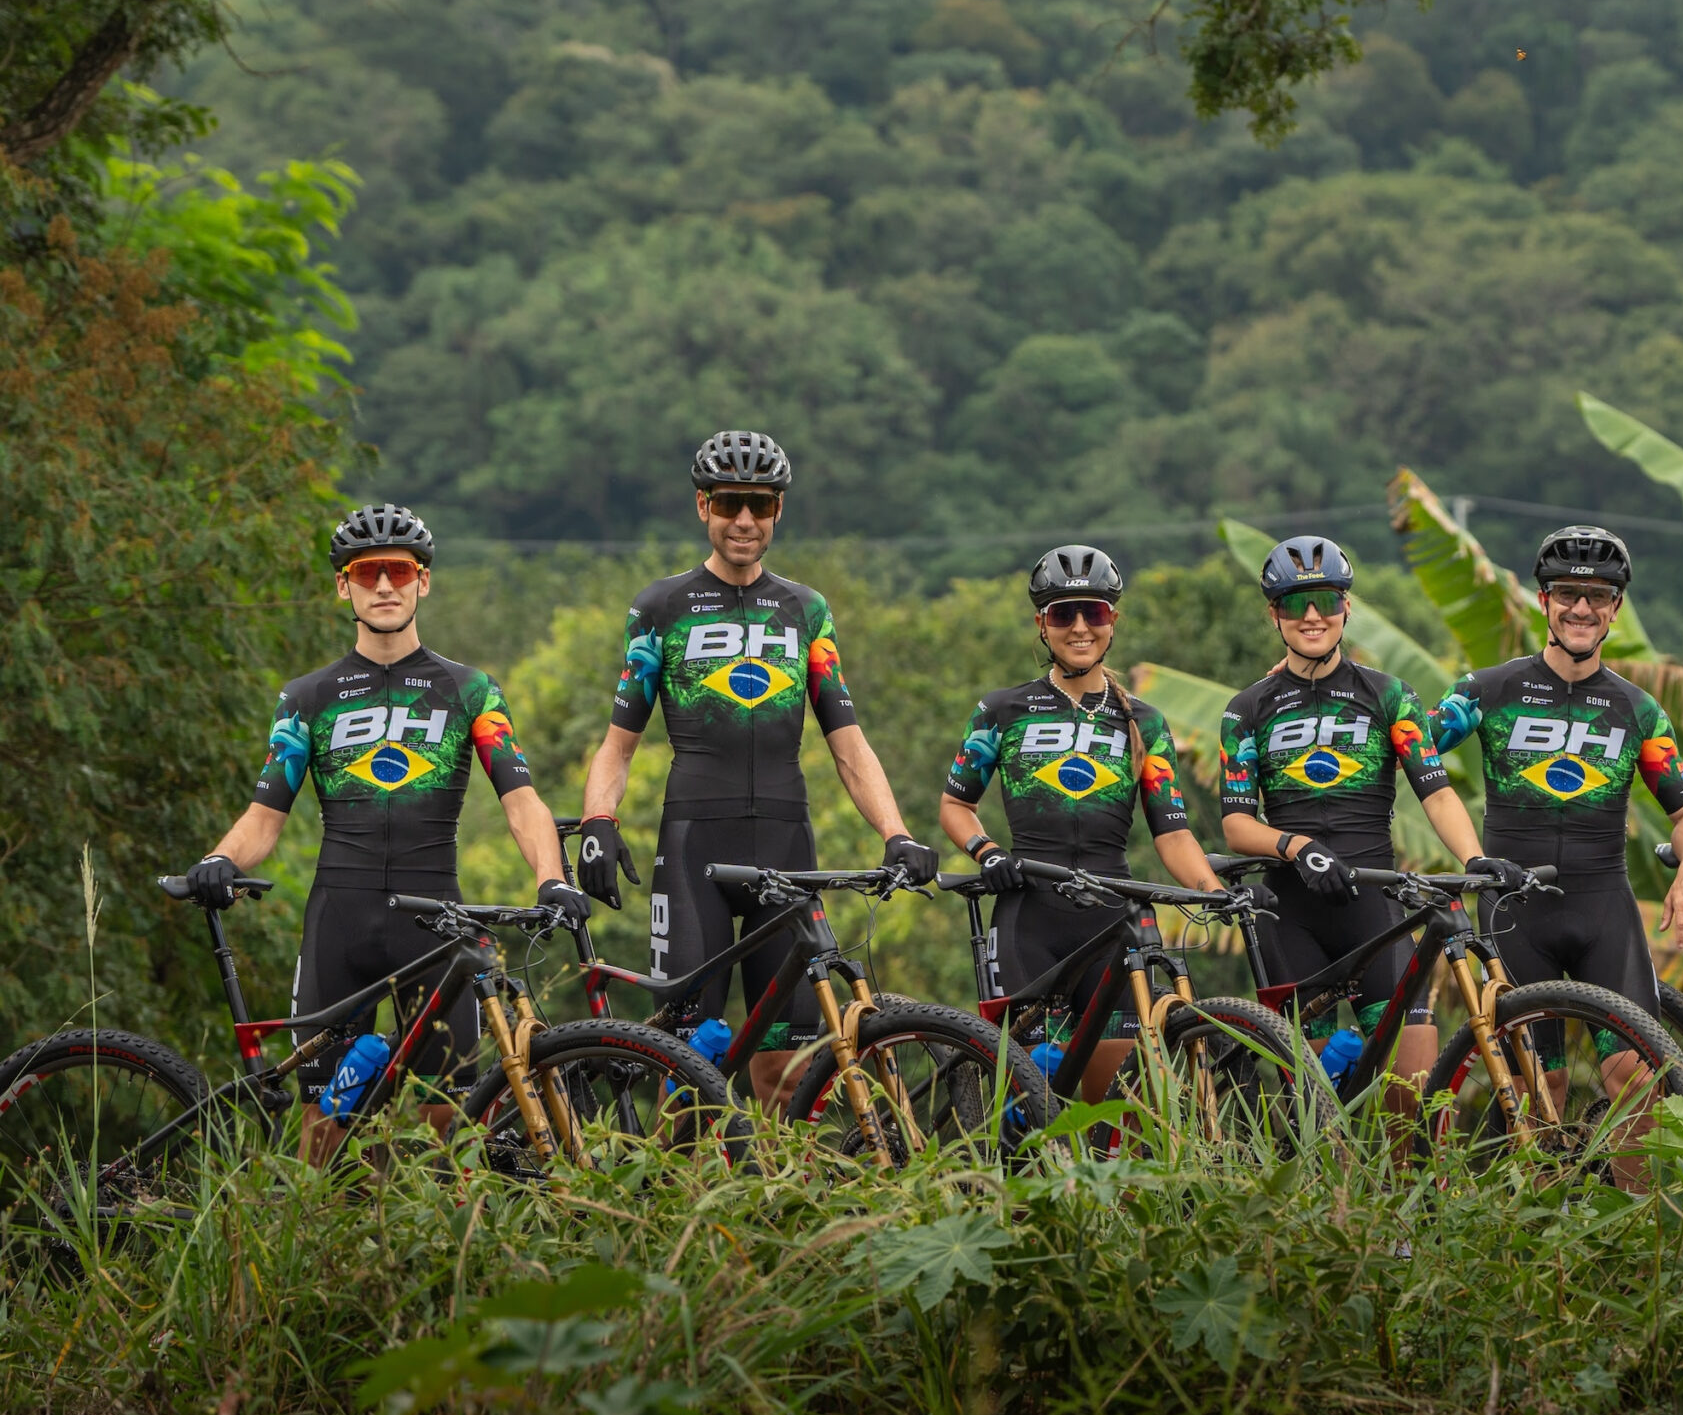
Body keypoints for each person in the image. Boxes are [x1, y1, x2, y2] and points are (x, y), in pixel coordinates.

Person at [185, 504, 585, 1162]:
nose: (384, 585)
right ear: (344, 585)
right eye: (366, 572)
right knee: (324, 1130)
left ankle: (407, 1262)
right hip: (340, 921)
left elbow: (522, 801)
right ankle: (331, 1256)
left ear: (422, 580)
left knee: (439, 1131)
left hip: (435, 925)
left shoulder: (470, 691)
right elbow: (264, 816)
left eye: (398, 571)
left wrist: (552, 878)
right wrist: (220, 859)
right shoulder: (307, 698)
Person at [575, 431, 937, 1113]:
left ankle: (782, 1212)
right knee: (689, 1068)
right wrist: (599, 819)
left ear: (777, 511)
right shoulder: (662, 608)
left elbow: (849, 743)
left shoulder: (806, 609)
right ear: (703, 506)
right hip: (693, 856)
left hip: (785, 848)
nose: (745, 520)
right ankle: (678, 1213)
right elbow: (618, 745)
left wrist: (896, 832)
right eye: (731, 503)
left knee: (787, 1069)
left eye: (761, 505)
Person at [1218, 536, 1519, 1112]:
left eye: (1326, 601)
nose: (1312, 616)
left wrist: (1472, 858)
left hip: (1374, 908)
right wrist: (1297, 846)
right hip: (1292, 915)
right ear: (1274, 613)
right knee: (1314, 1108)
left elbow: (1434, 792)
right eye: (1295, 603)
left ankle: (1413, 1200)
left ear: (1346, 609)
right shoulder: (1247, 708)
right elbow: (1236, 823)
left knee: (1417, 1101)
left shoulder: (1390, 695)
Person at [1427, 526, 1683, 1113]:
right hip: (1514, 911)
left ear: (1615, 607)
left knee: (1636, 1085)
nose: (1581, 608)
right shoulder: (1488, 690)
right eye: (1566, 594)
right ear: (1544, 601)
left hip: (1602, 905)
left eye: (1597, 596)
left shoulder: (1637, 709)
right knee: (1543, 1090)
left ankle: (1635, 1207)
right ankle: (1542, 1203)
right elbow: (1412, 757)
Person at [939, 545, 1227, 1104]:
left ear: (1111, 621)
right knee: (1026, 1098)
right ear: (1041, 624)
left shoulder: (1143, 721)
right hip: (1027, 917)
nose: (1078, 627)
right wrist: (986, 851)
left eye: (1092, 613)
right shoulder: (1002, 711)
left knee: (1111, 1108)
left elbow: (1171, 831)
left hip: (1108, 915)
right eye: (1060, 614)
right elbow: (955, 806)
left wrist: (1211, 890)